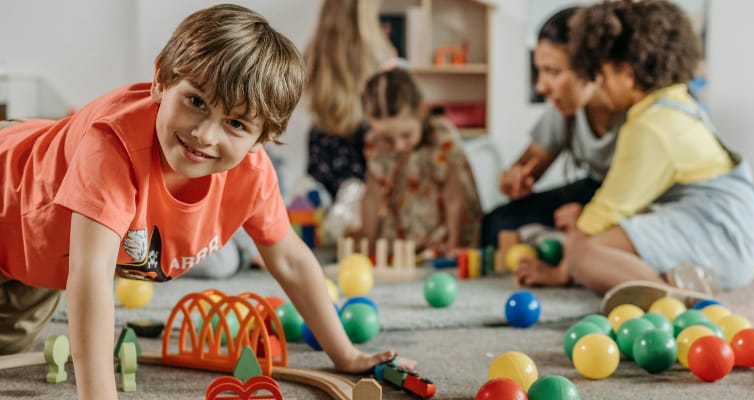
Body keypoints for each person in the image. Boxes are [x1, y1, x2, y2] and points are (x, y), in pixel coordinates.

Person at [0, 5, 414, 399]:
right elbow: (90, 275)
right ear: (161, 79)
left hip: (33, 259)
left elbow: (289, 259)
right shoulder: (112, 147)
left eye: (235, 124)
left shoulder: (251, 175)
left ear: (262, 138)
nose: (205, 135)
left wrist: (346, 356)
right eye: (195, 101)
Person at [517, 0, 754, 307]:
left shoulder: (649, 127)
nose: (599, 84)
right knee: (598, 243)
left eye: (602, 75)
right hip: (728, 225)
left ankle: (673, 301)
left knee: (585, 253)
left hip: (721, 232)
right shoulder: (673, 103)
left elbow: (600, 217)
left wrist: (561, 271)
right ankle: (679, 277)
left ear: (629, 73)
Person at [481, 6, 624, 248]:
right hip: (593, 188)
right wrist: (514, 177)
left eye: (552, 72)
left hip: (633, 199)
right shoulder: (564, 109)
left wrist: (591, 217)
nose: (540, 87)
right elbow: (530, 163)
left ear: (591, 67)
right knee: (498, 221)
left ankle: (569, 247)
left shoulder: (635, 111)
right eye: (540, 71)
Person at [359, 68, 483, 257]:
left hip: (443, 230)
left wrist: (454, 245)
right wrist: (369, 248)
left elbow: (455, 197)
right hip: (403, 233)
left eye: (406, 135)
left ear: (422, 111)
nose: (399, 146)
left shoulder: (441, 136)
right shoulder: (375, 144)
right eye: (387, 139)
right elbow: (371, 198)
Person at [304, 0, 398, 198]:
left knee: (321, 215)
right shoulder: (381, 53)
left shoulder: (314, 51)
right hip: (363, 143)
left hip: (323, 143)